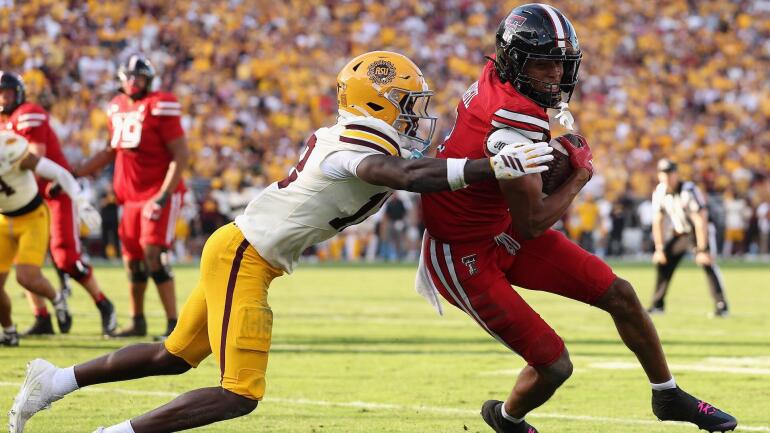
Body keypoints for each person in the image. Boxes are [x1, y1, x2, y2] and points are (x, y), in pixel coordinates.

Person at [9, 50, 554, 433]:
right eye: (406, 103)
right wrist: (489, 167)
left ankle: (54, 380)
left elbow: (421, 164)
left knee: (172, 356)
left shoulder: (362, 134)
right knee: (239, 393)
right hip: (245, 256)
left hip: (239, 250)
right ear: (376, 104)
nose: (416, 114)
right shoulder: (353, 144)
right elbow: (407, 176)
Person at [417, 5, 736, 433]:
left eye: (561, 63)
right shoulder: (509, 123)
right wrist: (579, 175)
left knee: (620, 294)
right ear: (514, 61)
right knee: (554, 364)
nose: (555, 74)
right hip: (462, 252)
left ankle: (667, 393)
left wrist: (548, 155)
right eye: (543, 64)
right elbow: (532, 223)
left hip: (499, 225)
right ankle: (507, 419)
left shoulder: (499, 77)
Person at [73, 55, 188, 338]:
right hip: (130, 197)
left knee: (153, 253)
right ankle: (137, 321)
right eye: (130, 77)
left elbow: (181, 154)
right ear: (122, 79)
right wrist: (76, 172)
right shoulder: (117, 106)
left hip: (158, 191)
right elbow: (110, 150)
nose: (135, 82)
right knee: (132, 259)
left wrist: (164, 194)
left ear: (150, 80)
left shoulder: (160, 104)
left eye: (140, 77)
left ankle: (174, 325)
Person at [0, 72, 117, 337]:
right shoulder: (4, 123)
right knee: (23, 263)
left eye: (7, 93)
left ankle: (103, 303)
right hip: (23, 200)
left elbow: (34, 158)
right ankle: (41, 317)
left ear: (18, 94)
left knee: (66, 257)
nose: (3, 99)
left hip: (54, 190)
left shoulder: (29, 113)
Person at [0, 131, 100, 346]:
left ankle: (57, 299)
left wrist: (81, 202)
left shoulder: (9, 148)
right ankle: (9, 332)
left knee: (26, 277)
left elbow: (59, 173)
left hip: (31, 217)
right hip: (3, 219)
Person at [648, 158, 729, 317]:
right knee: (664, 261)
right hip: (681, 233)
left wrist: (702, 248)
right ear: (659, 175)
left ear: (676, 174)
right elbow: (658, 221)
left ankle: (722, 306)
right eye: (663, 173)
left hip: (699, 232)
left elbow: (700, 220)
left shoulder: (688, 190)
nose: (667, 177)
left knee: (707, 263)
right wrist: (659, 248)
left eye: (670, 173)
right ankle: (657, 305)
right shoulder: (659, 192)